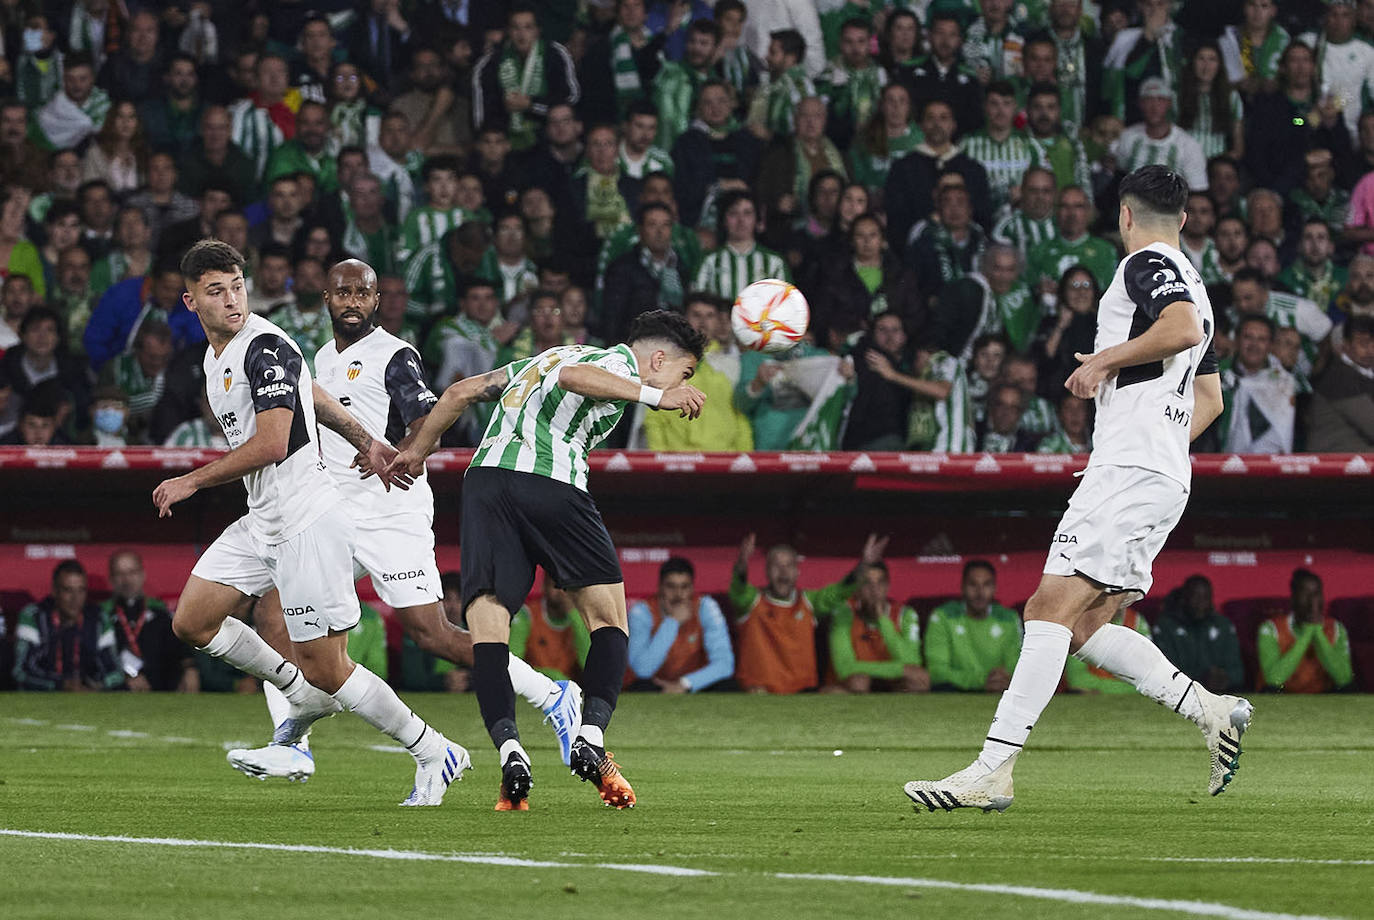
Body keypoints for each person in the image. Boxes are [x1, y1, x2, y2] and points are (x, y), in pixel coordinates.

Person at [903, 166, 1248, 814]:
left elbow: (1181, 331)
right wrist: (1161, 443)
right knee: (1085, 627)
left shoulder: (1147, 263)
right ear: (1182, 217)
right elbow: (1211, 396)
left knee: (1044, 611)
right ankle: (1211, 709)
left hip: (1130, 472)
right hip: (1162, 473)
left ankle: (992, 768)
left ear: (1123, 215)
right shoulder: (1198, 283)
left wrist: (1101, 362)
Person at [151, 239, 468, 805]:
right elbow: (315, 393)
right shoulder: (215, 356)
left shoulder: (262, 345)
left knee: (330, 667)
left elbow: (273, 442)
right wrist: (368, 440)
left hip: (307, 522)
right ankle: (299, 698)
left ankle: (432, 749)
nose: (231, 300)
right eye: (216, 291)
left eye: (237, 287)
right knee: (192, 622)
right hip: (263, 519)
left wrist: (193, 480)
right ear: (191, 301)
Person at [246, 259, 583, 766]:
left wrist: (402, 452)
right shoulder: (320, 356)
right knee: (272, 613)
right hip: (332, 510)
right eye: (343, 293)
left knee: (432, 634)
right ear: (326, 299)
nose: (353, 301)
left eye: (363, 293)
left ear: (377, 300)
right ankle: (293, 743)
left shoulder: (395, 355)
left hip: (389, 511)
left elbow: (429, 421)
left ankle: (551, 695)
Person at [387, 310, 707, 811]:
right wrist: (656, 394)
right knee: (608, 620)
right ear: (659, 358)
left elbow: (459, 393)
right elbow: (573, 379)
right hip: (551, 482)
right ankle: (592, 738)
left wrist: (417, 452)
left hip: (486, 483)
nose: (684, 387)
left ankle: (510, 750)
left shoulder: (538, 359)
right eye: (684, 374)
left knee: (488, 628)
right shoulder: (609, 364)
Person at [729, 531, 886, 695]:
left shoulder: (809, 602)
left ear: (797, 572)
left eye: (789, 565)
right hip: (761, 691)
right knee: (757, 693)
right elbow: (738, 590)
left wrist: (864, 565)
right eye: (777, 565)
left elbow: (840, 591)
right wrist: (741, 564)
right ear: (766, 571)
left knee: (837, 694)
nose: (783, 571)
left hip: (802, 692)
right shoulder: (750, 601)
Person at [472, 4, 580, 153]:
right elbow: (482, 115)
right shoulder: (490, 62)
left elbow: (570, 98)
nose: (521, 34)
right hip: (506, 146)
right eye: (516, 28)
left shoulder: (555, 53)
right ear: (508, 31)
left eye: (528, 27)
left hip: (549, 140)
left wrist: (531, 105)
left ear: (537, 30)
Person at [627, 556, 735, 692]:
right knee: (640, 687)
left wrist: (685, 684)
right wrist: (672, 622)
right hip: (656, 686)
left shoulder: (705, 607)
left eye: (684, 587)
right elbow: (642, 670)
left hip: (694, 685)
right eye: (671, 586)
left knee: (728, 685)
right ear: (660, 588)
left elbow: (725, 664)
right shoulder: (642, 611)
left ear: (692, 589)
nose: (678, 594)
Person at [13, 560, 123, 691]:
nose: (75, 598)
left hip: (88, 700)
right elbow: (21, 672)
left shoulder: (99, 618)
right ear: (54, 591)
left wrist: (97, 686)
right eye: (68, 590)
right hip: (41, 701)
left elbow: (116, 672)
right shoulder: (33, 616)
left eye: (81, 590)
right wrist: (61, 685)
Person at [827, 561, 927, 694]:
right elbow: (844, 668)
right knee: (859, 682)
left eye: (880, 583)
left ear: (887, 586)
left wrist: (882, 620)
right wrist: (899, 669)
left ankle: (896, 714)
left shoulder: (905, 614)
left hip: (892, 684)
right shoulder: (843, 613)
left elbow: (912, 662)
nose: (874, 589)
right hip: (853, 684)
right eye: (867, 583)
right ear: (856, 588)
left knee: (920, 680)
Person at [923, 560, 1023, 691]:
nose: (980, 592)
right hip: (953, 695)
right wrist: (983, 681)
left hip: (999, 693)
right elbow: (936, 671)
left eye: (986, 584)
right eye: (973, 584)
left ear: (994, 588)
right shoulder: (943, 616)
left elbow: (1016, 667)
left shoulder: (1009, 618)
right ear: (962, 587)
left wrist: (1004, 679)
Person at [101, 549, 192, 692]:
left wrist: (189, 669)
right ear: (111, 579)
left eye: (132, 572)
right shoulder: (102, 616)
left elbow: (180, 655)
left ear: (142, 575)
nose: (126, 580)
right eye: (120, 574)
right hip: (117, 691)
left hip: (161, 692)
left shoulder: (161, 614)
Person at [1257, 569, 1354, 693]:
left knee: (1349, 688)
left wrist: (1318, 632)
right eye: (1306, 593)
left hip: (1324, 699)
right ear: (1293, 598)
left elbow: (1344, 679)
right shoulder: (1270, 629)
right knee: (1270, 690)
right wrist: (1308, 632)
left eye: (1316, 593)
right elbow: (1273, 680)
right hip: (1283, 697)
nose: (1312, 600)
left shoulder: (1336, 629)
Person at [1150, 575, 1245, 694]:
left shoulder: (1222, 625)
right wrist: (1202, 679)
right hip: (1179, 694)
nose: (1201, 604)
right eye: (1196, 597)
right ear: (1184, 598)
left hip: (1222, 693)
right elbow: (1165, 672)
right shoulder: (1166, 626)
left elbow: (1238, 671)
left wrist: (1226, 678)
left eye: (1206, 598)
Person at [1218, 314, 1298, 453]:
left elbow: (1283, 433)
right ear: (1236, 340)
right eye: (1248, 337)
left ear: (1271, 345)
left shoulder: (1284, 382)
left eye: (1262, 339)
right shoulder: (1216, 375)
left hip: (1269, 466)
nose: (1254, 345)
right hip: (1220, 463)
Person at [1306, 314, 1374, 450]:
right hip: (1332, 464)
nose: (1371, 351)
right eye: (1363, 344)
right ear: (1346, 346)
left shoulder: (1364, 374)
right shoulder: (1340, 377)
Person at [511, 573, 590, 682]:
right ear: (544, 586)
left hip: (572, 689)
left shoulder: (583, 617)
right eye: (557, 586)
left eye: (568, 587)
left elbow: (590, 665)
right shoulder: (527, 614)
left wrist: (574, 614)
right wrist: (551, 677)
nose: (562, 592)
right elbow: (512, 664)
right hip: (532, 687)